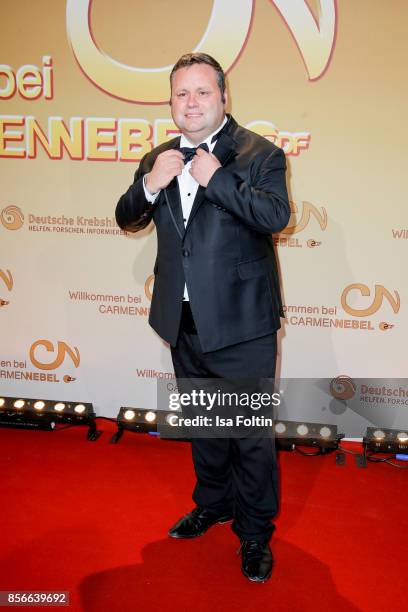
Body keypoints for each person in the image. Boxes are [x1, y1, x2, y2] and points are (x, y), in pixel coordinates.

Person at [115, 53, 290, 583]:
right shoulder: (160, 155)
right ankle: (214, 504)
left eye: (201, 93)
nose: (190, 103)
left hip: (242, 323)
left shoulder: (260, 154)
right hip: (183, 319)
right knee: (207, 427)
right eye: (180, 95)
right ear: (171, 102)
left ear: (223, 97)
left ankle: (256, 532)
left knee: (249, 435)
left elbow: (274, 216)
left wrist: (217, 179)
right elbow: (127, 216)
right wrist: (148, 184)